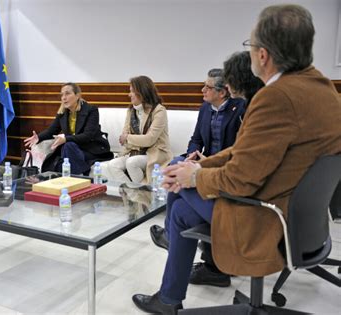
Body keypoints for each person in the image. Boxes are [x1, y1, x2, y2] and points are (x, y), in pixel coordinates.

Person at [132, 4, 341, 314]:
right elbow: (245, 152)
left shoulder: (276, 97)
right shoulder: (324, 89)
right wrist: (200, 165)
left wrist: (193, 176)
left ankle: (173, 295)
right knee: (183, 213)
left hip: (267, 219)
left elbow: (240, 179)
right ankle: (178, 291)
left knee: (180, 191)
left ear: (263, 55)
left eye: (250, 43)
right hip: (306, 221)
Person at [149, 65, 256, 287]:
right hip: (205, 162)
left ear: (223, 91)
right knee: (179, 167)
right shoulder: (205, 108)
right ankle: (201, 265)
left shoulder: (242, 109)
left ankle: (173, 236)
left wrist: (201, 166)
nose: (202, 91)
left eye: (207, 87)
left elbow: (239, 153)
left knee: (178, 176)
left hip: (225, 173)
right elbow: (196, 138)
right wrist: (192, 154)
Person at [23, 82, 113, 175]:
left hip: (92, 149)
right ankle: (81, 175)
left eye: (67, 93)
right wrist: (39, 137)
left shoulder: (91, 110)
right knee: (63, 153)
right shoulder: (63, 113)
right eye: (62, 95)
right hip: (74, 149)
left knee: (67, 147)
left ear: (77, 95)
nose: (63, 97)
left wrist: (65, 139)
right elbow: (52, 130)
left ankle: (77, 177)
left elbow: (88, 136)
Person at [106, 75, 172, 183]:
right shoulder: (131, 110)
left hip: (155, 154)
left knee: (132, 163)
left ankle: (142, 197)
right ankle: (132, 195)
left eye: (132, 91)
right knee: (113, 165)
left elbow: (149, 139)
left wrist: (128, 138)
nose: (129, 95)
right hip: (135, 152)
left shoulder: (159, 110)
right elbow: (124, 141)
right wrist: (132, 139)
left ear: (142, 92)